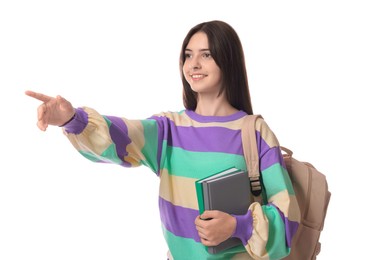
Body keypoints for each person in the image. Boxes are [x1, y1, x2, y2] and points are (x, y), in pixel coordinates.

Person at [26, 20, 300, 260]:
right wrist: (71, 118)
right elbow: (118, 135)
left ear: (227, 60)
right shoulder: (169, 129)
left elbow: (288, 220)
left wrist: (237, 226)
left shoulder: (254, 131)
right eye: (188, 55)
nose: (193, 64)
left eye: (206, 55)